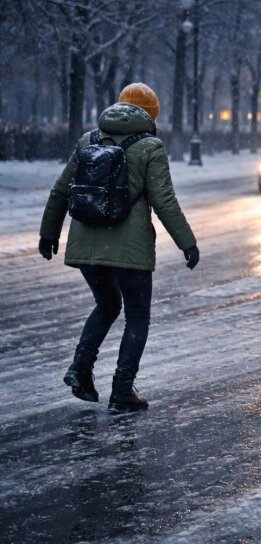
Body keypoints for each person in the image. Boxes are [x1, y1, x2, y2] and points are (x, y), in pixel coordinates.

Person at [39, 83, 200, 413]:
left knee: (106, 304)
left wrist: (49, 233)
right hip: (130, 250)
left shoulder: (89, 140)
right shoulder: (150, 147)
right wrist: (188, 242)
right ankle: (122, 390)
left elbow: (60, 191)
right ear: (152, 114)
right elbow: (163, 200)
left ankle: (80, 370)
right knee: (137, 316)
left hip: (86, 243)